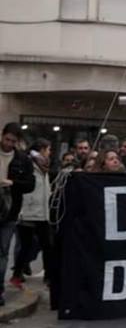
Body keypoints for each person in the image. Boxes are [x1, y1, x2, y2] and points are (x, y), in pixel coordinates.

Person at [0, 125, 35, 306]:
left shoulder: (22, 159)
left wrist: (12, 183)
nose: (9, 144)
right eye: (7, 139)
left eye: (13, 141)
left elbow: (30, 185)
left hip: (10, 211)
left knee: (2, 252)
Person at [11, 139, 52, 289]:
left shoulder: (44, 165)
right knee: (28, 245)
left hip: (43, 211)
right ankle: (17, 274)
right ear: (41, 149)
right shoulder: (29, 163)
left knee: (45, 246)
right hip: (29, 211)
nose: (50, 152)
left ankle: (47, 275)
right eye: (48, 149)